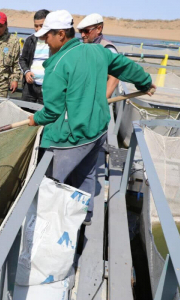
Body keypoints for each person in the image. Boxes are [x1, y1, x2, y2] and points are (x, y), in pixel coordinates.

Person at [28, 10, 155, 225]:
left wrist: (35, 120)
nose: (44, 41)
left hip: (72, 138)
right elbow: (127, 67)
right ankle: (85, 216)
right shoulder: (97, 51)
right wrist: (145, 83)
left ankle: (52, 224)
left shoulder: (57, 65)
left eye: (47, 36)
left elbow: (52, 111)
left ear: (61, 35)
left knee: (53, 183)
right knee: (86, 173)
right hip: (97, 132)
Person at [77, 13, 119, 98]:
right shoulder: (85, 46)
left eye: (86, 31)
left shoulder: (107, 48)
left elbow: (115, 77)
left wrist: (102, 101)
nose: (82, 35)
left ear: (99, 29)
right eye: (81, 31)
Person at [19, 9, 50, 105]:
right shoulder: (29, 40)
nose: (38, 29)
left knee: (44, 117)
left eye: (41, 26)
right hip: (30, 87)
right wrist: (27, 72)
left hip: (47, 89)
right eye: (36, 26)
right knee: (25, 113)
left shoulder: (54, 42)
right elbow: (22, 59)